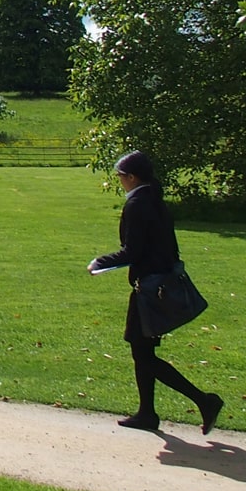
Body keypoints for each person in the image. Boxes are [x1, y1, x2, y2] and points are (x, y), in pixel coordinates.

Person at [88, 149, 223, 434]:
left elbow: (132, 251)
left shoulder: (137, 204)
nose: (120, 181)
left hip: (148, 289)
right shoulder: (155, 200)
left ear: (131, 177)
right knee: (142, 349)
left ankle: (204, 400)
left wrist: (100, 262)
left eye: (121, 176)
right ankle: (147, 414)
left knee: (144, 354)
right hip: (160, 284)